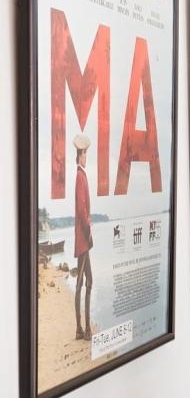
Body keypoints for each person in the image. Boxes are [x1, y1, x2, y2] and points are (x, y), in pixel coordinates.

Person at [73, 133, 93, 341]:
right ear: (80, 155)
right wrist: (89, 230)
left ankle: (82, 328)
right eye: (85, 154)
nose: (87, 158)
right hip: (83, 240)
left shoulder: (81, 175)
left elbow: (83, 209)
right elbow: (82, 209)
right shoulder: (80, 176)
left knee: (86, 282)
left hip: (83, 239)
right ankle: (83, 329)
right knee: (83, 282)